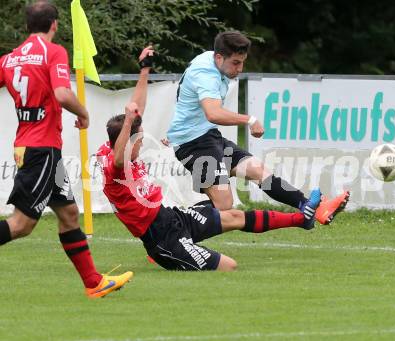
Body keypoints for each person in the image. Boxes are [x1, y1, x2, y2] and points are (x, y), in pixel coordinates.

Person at [97, 47, 324, 271]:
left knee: (233, 215)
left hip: (172, 217)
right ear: (125, 142)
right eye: (137, 140)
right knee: (229, 266)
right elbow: (119, 158)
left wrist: (144, 70)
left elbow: (137, 110)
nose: (141, 142)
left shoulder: (115, 144)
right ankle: (174, 255)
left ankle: (301, 219)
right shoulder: (114, 166)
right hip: (161, 238)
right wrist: (128, 123)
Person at [0, 1, 132, 298]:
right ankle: (94, 282)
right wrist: (83, 113)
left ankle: (94, 283)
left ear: (27, 26)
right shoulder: (53, 52)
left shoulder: (8, 60)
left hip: (31, 145)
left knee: (69, 213)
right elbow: (61, 93)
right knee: (21, 225)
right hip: (41, 149)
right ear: (55, 25)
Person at [166, 31, 349, 225]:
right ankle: (170, 230)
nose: (240, 68)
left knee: (257, 169)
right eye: (236, 63)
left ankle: (313, 208)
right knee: (224, 205)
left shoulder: (213, 60)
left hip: (207, 136)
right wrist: (250, 120)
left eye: (242, 62)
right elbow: (213, 113)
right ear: (219, 57)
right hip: (193, 144)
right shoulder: (206, 75)